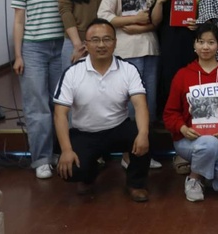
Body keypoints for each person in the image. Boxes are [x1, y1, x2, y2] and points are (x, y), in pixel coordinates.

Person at [53, 18, 152, 202]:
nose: (101, 45)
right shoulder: (72, 73)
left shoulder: (128, 69)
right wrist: (66, 150)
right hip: (85, 133)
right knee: (71, 171)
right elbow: (60, 114)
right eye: (95, 40)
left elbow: (140, 105)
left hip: (117, 127)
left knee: (144, 134)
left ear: (115, 42)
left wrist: (144, 133)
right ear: (86, 44)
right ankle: (89, 175)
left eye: (107, 39)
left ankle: (136, 184)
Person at [163, 22, 218, 202]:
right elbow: (170, 113)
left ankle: (203, 171)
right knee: (209, 144)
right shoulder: (182, 75)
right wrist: (183, 128)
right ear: (194, 45)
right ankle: (194, 178)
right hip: (188, 139)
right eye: (201, 42)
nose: (205, 47)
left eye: (211, 42)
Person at [97, 0, 161, 149]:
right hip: (125, 51)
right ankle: (129, 152)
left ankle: (145, 150)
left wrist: (141, 27)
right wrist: (132, 20)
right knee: (129, 101)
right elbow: (103, 15)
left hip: (150, 49)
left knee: (149, 101)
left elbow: (159, 20)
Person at [12, 0, 64, 180]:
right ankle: (41, 159)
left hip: (61, 47)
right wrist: (18, 55)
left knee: (62, 103)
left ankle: (59, 152)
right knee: (38, 106)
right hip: (33, 49)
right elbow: (19, 22)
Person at [151, 0, 206, 117]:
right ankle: (170, 122)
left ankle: (197, 119)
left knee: (196, 82)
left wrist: (199, 23)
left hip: (197, 43)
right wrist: (160, 1)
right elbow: (155, 21)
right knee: (170, 81)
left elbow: (210, 17)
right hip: (171, 42)